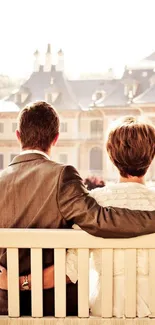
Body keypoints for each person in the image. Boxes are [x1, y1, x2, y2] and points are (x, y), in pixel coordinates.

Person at [0, 103, 155, 316]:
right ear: (56, 138)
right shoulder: (64, 177)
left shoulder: (99, 198)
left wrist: (17, 282)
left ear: (18, 136)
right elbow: (99, 220)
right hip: (56, 306)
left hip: (6, 304)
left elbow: (71, 268)